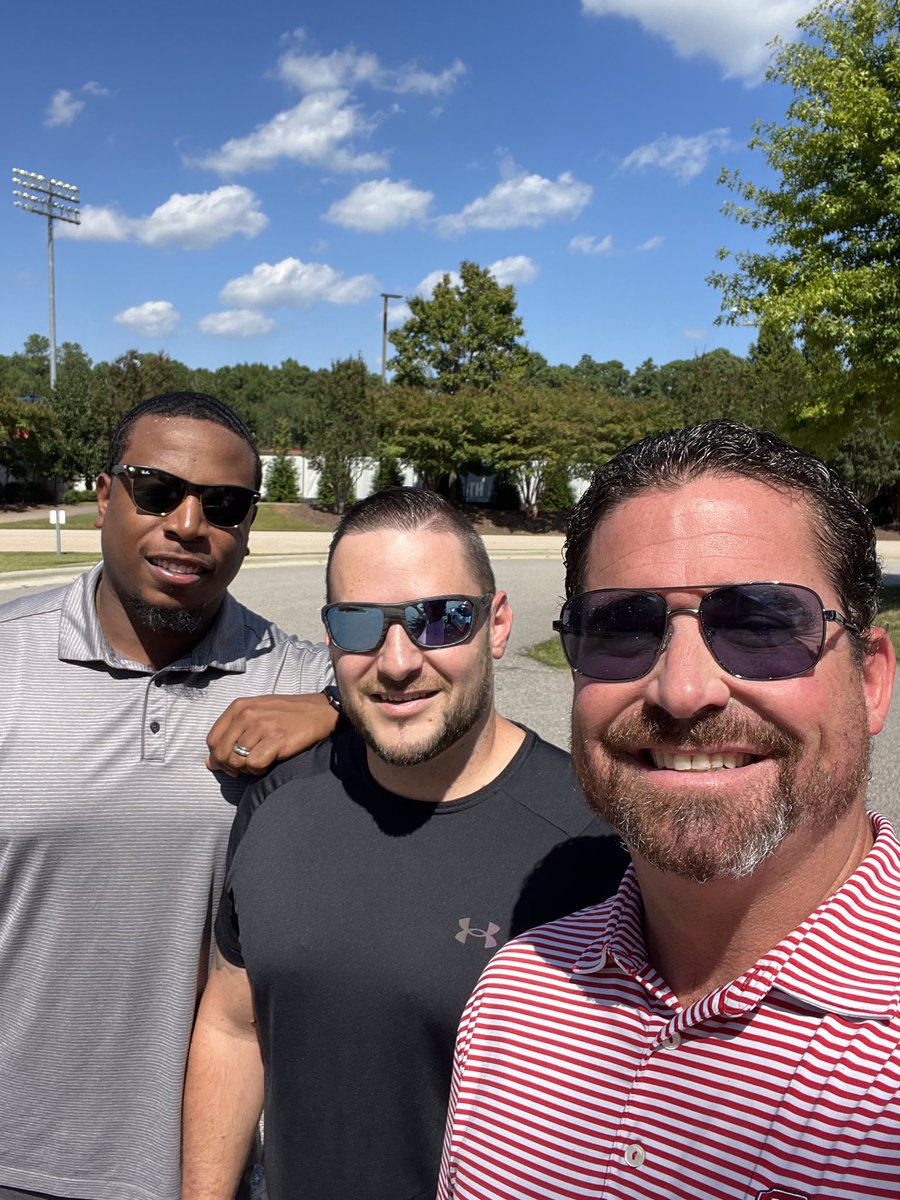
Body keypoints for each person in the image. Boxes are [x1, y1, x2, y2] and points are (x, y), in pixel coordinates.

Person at [438, 421, 900, 1200]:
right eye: (623, 628)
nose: (683, 691)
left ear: (870, 680)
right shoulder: (515, 999)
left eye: (760, 624)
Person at [181, 488, 630, 1200]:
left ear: (498, 624)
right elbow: (235, 1029)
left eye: (440, 619)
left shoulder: (595, 848)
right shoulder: (278, 800)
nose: (396, 661)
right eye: (359, 624)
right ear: (329, 637)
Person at [0, 392, 337, 1200]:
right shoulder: (7, 662)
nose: (190, 523)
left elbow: (448, 721)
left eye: (225, 506)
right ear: (104, 497)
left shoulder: (289, 673)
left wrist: (334, 706)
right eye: (157, 490)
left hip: (199, 1174)